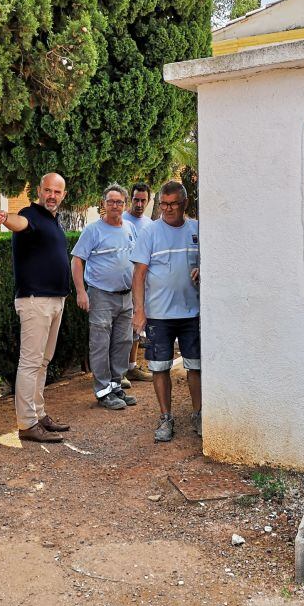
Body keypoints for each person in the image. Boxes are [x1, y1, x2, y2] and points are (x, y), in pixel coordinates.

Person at [0, 173, 72, 443]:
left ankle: (38, 414)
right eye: (47, 190)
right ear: (38, 190)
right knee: (31, 363)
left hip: (55, 300)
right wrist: (5, 217)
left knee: (43, 362)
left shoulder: (53, 222)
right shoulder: (30, 214)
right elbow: (19, 222)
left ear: (63, 195)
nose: (52, 196)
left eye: (57, 192)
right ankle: (26, 423)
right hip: (36, 300)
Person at [131, 180, 201, 443]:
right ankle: (165, 418)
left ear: (184, 204)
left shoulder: (196, 229)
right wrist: (139, 310)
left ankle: (198, 414)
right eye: (163, 204)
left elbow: (213, 261)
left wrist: (204, 270)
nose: (168, 209)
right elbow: (138, 274)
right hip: (159, 315)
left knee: (196, 366)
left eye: (173, 204)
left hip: (191, 313)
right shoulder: (150, 232)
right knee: (160, 368)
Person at [71, 184, 138, 411]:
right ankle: (102, 391)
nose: (115, 206)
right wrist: (81, 291)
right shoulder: (93, 230)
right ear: (104, 204)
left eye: (119, 202)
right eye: (110, 202)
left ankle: (115, 385)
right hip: (100, 295)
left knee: (123, 341)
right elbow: (77, 260)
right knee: (100, 343)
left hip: (126, 296)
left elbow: (137, 260)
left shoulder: (130, 228)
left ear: (125, 205)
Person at [121, 182, 153, 383]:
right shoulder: (120, 220)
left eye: (143, 200)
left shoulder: (151, 225)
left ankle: (131, 366)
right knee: (120, 330)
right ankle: (118, 371)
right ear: (130, 200)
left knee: (136, 327)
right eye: (136, 199)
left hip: (142, 285)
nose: (139, 204)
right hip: (121, 284)